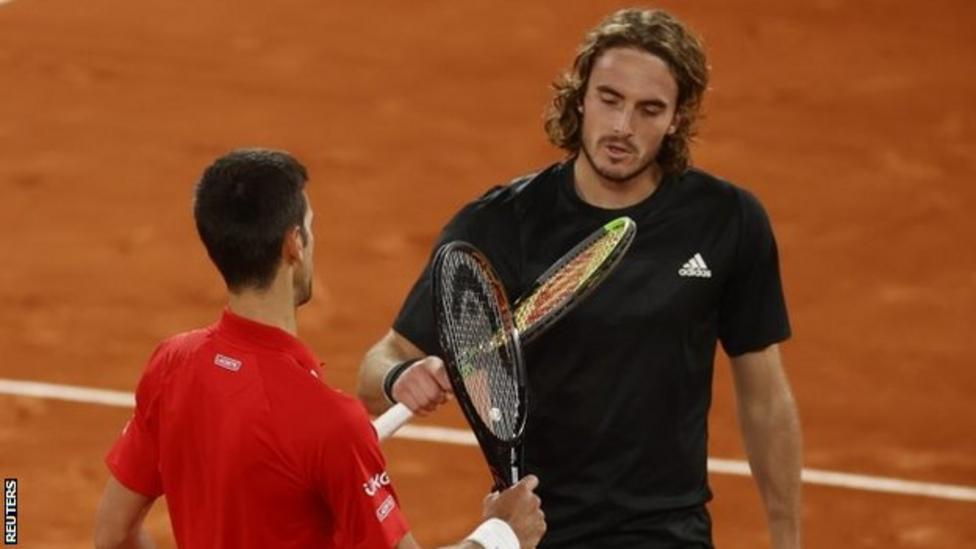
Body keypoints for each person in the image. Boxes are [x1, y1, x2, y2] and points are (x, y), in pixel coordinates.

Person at [357, 8, 802, 548]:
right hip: (539, 531)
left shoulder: (726, 221)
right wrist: (397, 377)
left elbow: (765, 398)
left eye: (649, 110)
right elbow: (378, 366)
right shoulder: (500, 224)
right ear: (581, 96)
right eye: (609, 99)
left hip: (667, 533)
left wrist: (787, 536)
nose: (622, 128)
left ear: (678, 118)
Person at [93, 149, 546, 549]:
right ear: (293, 244)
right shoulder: (331, 425)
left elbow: (113, 535)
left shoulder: (172, 364)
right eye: (310, 227)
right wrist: (500, 534)